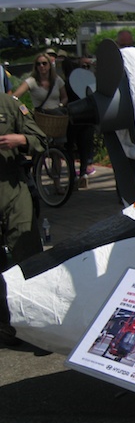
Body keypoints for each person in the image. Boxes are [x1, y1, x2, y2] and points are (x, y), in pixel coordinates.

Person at [0, 92, 48, 346]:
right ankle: (6, 326)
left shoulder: (8, 105)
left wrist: (20, 139)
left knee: (27, 255)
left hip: (12, 188)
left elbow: (40, 138)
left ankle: (38, 328)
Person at [62, 56, 96, 177]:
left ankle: (82, 172)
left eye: (88, 67)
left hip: (85, 118)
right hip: (76, 117)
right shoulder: (70, 81)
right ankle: (75, 173)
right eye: (83, 66)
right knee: (73, 146)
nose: (86, 69)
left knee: (83, 146)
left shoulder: (90, 80)